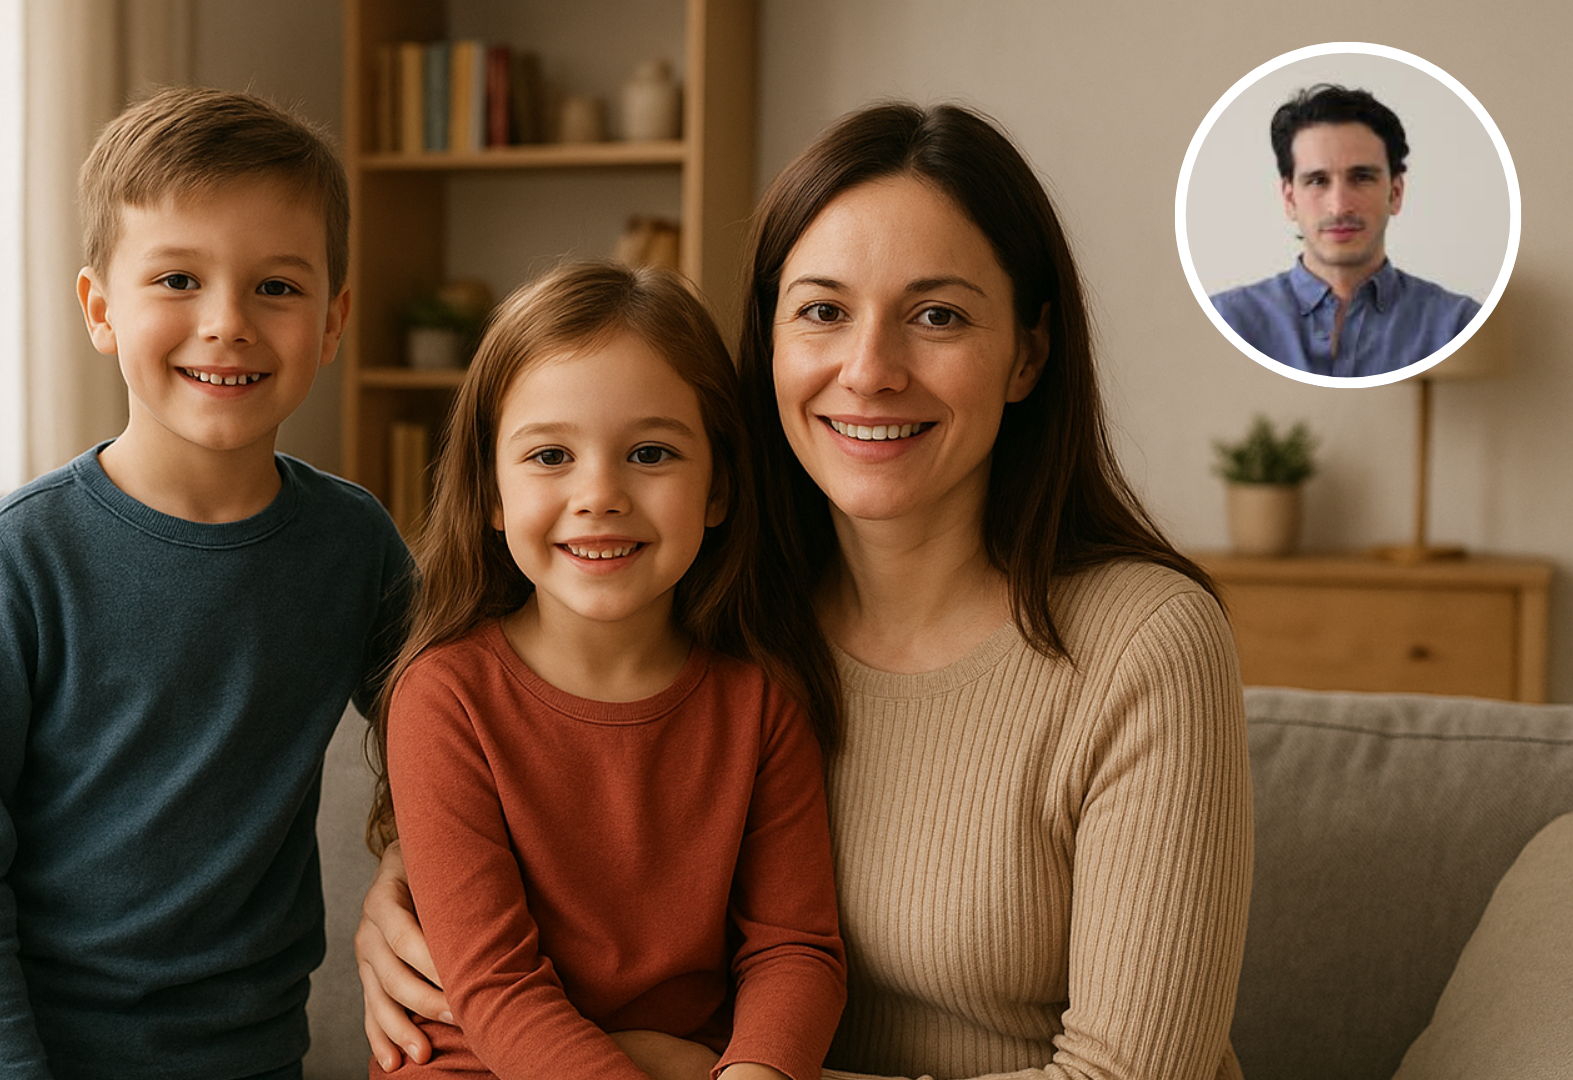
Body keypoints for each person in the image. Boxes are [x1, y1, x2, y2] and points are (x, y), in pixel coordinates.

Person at [358, 102, 1255, 1080]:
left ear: (1030, 354)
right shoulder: (732, 614)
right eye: (823, 311)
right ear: (770, 343)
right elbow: (560, 817)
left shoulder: (1145, 644)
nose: (869, 371)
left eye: (938, 315)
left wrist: (685, 1071)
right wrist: (407, 889)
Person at [0, 86, 412, 1080]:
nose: (227, 323)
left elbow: (455, 727)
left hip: (246, 1055)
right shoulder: (20, 552)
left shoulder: (355, 545)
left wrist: (405, 857)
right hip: (8, 1057)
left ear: (334, 320)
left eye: (277, 287)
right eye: (178, 278)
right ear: (100, 309)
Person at [369, 260, 846, 1080]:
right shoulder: (445, 698)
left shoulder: (761, 704)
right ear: (491, 493)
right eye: (551, 455)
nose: (600, 494)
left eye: (650, 452)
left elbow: (793, 949)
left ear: (720, 487)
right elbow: (496, 983)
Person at [1208, 83, 1479, 378]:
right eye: (1317, 180)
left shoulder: (1460, 327)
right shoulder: (1224, 322)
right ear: (1289, 199)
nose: (1338, 207)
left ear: (1396, 193)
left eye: (1361, 177)